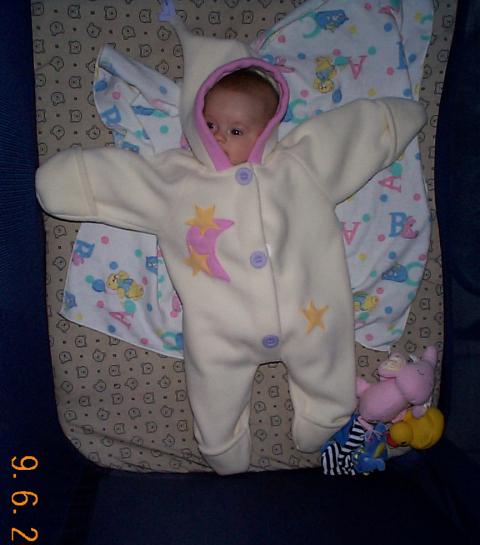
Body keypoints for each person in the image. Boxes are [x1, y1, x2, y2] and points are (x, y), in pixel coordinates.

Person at [36, 22, 427, 475]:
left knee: (328, 360)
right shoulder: (175, 180)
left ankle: (325, 413)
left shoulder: (300, 163)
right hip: (220, 328)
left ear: (268, 129)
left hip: (311, 312)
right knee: (213, 387)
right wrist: (74, 181)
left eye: (237, 130)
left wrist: (390, 121)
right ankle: (222, 446)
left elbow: (355, 135)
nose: (220, 136)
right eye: (211, 125)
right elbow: (120, 181)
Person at [203, 69, 279, 166]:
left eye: (235, 132)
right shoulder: (185, 162)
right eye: (210, 125)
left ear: (264, 137)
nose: (217, 137)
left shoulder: (276, 165)